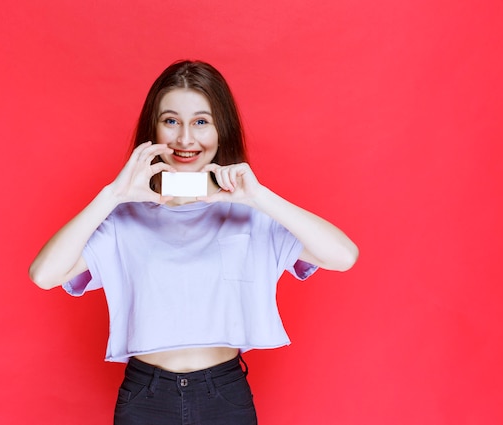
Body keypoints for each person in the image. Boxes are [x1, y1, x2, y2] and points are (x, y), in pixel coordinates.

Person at [29, 60, 358, 425]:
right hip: (145, 398)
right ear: (152, 130)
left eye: (201, 122)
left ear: (222, 131)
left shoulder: (250, 213)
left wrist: (259, 197)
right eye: (171, 121)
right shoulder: (123, 219)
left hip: (224, 393)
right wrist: (112, 194)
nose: (185, 139)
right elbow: (44, 275)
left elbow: (343, 256)